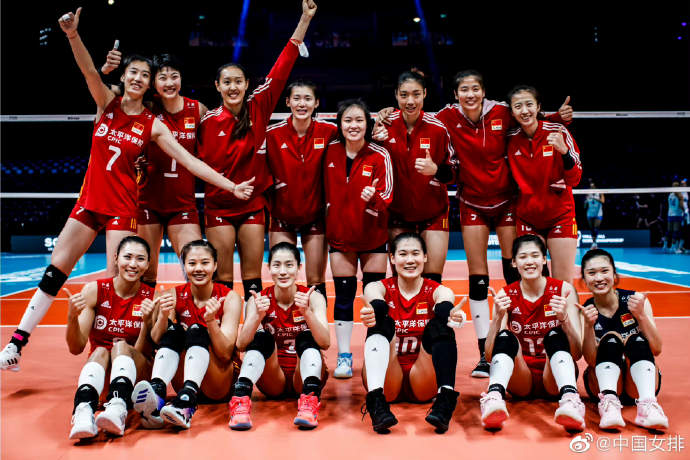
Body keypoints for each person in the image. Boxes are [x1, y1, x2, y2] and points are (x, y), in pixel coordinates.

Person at [0, 8, 253, 371]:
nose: (138, 78)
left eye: (144, 75)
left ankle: (128, 355)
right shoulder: (106, 103)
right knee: (55, 271)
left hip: (124, 209)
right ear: (124, 76)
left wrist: (231, 186)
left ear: (149, 85)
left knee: (119, 286)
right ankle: (16, 344)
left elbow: (190, 160)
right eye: (133, 72)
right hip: (89, 203)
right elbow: (89, 71)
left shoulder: (153, 124)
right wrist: (73, 35)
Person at [434, 71, 573, 378]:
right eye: (464, 89)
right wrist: (386, 118)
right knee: (478, 278)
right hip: (472, 202)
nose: (470, 94)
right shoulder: (446, 116)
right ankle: (485, 352)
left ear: (484, 91)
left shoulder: (501, 111)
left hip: (507, 202)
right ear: (456, 94)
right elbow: (418, 119)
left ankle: (523, 340)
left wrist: (555, 117)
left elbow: (529, 118)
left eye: (476, 88)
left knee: (514, 272)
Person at [197, 0, 317, 302]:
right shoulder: (206, 122)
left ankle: (253, 329)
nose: (233, 87)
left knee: (253, 278)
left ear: (247, 84)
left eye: (238, 81)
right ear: (217, 86)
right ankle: (223, 331)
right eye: (227, 82)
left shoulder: (258, 107)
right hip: (218, 207)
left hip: (252, 206)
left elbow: (282, 67)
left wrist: (304, 20)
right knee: (222, 278)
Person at [360, 233, 465, 433]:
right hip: (388, 378)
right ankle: (376, 401)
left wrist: (452, 315)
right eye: (403, 254)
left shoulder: (439, 291)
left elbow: (444, 305)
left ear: (425, 257)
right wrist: (373, 312)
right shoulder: (377, 287)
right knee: (381, 322)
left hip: (422, 377)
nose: (410, 260)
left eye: (415, 254)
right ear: (392, 258)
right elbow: (377, 303)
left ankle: (445, 399)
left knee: (440, 326)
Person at [131, 240, 243, 429]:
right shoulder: (173, 295)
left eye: (205, 263)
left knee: (196, 330)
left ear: (215, 265)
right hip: (184, 378)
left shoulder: (229, 297)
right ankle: (157, 394)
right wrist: (163, 316)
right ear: (184, 266)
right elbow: (157, 340)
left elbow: (225, 353)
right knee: (174, 332)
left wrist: (210, 322)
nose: (198, 268)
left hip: (220, 382)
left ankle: (187, 401)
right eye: (192, 263)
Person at [479, 235, 584, 432]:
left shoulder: (563, 290)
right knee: (505, 337)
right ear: (513, 262)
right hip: (522, 378)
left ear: (544, 259)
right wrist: (497, 319)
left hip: (554, 377)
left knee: (555, 334)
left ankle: (570, 399)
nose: (529, 261)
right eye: (523, 257)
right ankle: (494, 397)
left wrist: (564, 320)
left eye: (535, 255)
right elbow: (489, 356)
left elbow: (577, 353)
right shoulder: (505, 295)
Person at [324, 99, 394, 378]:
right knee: (343, 296)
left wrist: (373, 197)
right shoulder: (329, 150)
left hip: (372, 235)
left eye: (359, 120)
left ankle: (373, 352)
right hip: (339, 235)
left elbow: (388, 195)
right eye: (348, 120)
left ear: (368, 124)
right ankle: (344, 356)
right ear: (339, 124)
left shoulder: (380, 154)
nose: (353, 125)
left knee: (374, 297)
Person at [228, 242, 329, 430]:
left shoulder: (313, 297)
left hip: (303, 375)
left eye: (289, 265)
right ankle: (240, 401)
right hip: (272, 377)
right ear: (269, 268)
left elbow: (325, 342)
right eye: (277, 265)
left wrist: (307, 313)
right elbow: (241, 345)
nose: (283, 271)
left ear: (299, 268)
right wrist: (257, 317)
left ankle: (309, 403)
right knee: (262, 337)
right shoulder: (258, 299)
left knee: (307, 337)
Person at [67, 236, 156, 439]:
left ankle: (118, 408)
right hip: (101, 376)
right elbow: (76, 347)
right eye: (128, 257)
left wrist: (147, 322)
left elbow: (144, 352)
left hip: (137, 379)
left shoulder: (152, 298)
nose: (133, 264)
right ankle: (83, 411)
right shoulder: (94, 291)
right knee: (99, 351)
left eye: (140, 259)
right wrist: (72, 318)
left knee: (120, 347)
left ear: (148, 264)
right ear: (116, 258)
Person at [371, 70, 454, 284]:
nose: (410, 101)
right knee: (402, 278)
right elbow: (369, 165)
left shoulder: (438, 129)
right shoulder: (383, 125)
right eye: (404, 95)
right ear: (396, 95)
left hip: (433, 213)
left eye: (416, 94)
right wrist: (374, 144)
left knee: (432, 279)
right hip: (397, 213)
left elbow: (454, 173)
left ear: (425, 94)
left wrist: (435, 170)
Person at [135, 54, 207, 287]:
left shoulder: (198, 110)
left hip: (183, 205)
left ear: (181, 79)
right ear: (153, 83)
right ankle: (143, 312)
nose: (169, 83)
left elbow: (212, 149)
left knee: (197, 266)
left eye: (174, 76)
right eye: (162, 78)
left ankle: (196, 311)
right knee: (145, 274)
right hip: (148, 203)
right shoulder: (145, 108)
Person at [264, 80, 337, 300]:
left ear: (316, 103)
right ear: (288, 102)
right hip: (281, 218)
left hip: (316, 218)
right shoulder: (271, 134)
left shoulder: (330, 131)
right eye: (296, 98)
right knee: (282, 279)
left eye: (307, 99)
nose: (302, 104)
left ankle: (316, 323)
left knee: (316, 281)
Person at [579, 249, 668, 430]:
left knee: (637, 341)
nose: (599, 278)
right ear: (584, 279)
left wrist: (641, 316)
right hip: (604, 384)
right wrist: (588, 326)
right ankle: (609, 406)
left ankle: (648, 406)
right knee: (610, 340)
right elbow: (591, 360)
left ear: (614, 274)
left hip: (638, 384)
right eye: (592, 273)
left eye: (604, 271)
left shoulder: (636, 301)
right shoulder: (586, 311)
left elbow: (656, 349)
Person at [506, 85, 582, 286]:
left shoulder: (558, 132)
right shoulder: (509, 138)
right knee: (532, 281)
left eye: (529, 104)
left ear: (538, 106)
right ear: (511, 112)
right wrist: (556, 116)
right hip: (527, 218)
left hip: (561, 216)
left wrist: (565, 153)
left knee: (563, 283)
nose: (524, 110)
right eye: (518, 106)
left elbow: (575, 179)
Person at [664, 181, 685, 253]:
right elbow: (681, 206)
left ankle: (665, 246)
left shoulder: (670, 195)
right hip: (677, 214)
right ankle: (673, 248)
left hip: (670, 214)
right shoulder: (679, 195)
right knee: (675, 231)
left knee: (669, 231)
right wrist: (684, 210)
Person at [584, 180, 604, 250]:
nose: (592, 187)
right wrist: (586, 201)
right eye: (590, 186)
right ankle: (594, 243)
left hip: (598, 213)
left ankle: (594, 243)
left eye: (593, 186)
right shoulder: (587, 193)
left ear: (595, 185)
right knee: (592, 229)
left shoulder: (600, 192)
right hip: (590, 213)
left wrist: (594, 198)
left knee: (596, 227)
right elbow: (585, 206)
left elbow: (603, 201)